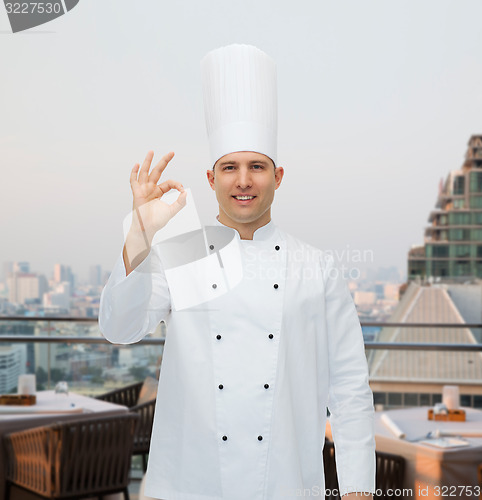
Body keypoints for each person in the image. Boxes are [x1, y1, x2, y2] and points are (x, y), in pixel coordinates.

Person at [99, 44, 375, 500]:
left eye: (256, 167)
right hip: (187, 484)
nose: (243, 180)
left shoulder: (318, 267)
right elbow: (120, 328)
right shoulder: (180, 252)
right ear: (211, 179)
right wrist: (139, 235)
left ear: (278, 176)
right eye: (230, 167)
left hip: (286, 483)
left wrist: (359, 491)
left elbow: (348, 386)